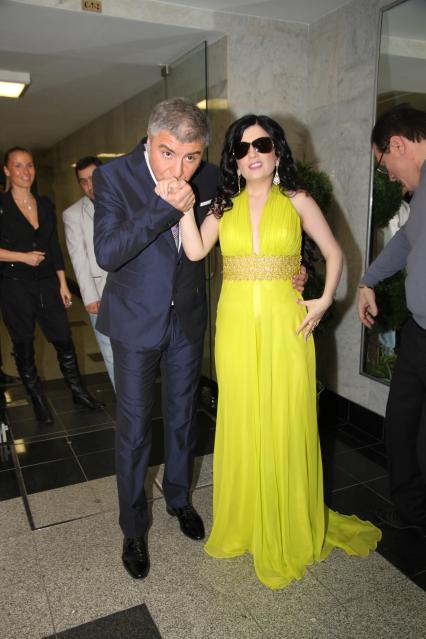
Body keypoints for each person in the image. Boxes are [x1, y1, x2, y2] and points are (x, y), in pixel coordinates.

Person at [160, 114, 381, 589]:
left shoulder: (297, 198)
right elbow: (195, 251)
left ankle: (288, 522)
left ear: (277, 150)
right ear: (234, 159)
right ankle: (247, 519)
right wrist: (184, 209)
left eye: (261, 144)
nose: (252, 154)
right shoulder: (223, 204)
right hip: (236, 327)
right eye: (241, 149)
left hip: (287, 327)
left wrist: (324, 301)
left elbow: (335, 252)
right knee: (243, 417)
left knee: (285, 417)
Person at [93, 97, 309, 580]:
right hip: (134, 323)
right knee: (134, 430)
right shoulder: (114, 177)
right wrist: (162, 207)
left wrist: (298, 268)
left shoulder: (212, 179)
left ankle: (178, 500)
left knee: (182, 418)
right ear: (150, 141)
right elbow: (107, 252)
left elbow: (258, 220)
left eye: (191, 157)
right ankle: (133, 527)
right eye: (168, 153)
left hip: (188, 321)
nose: (180, 169)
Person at [358, 104, 426, 537]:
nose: (390, 177)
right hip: (419, 332)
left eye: (385, 166)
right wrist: (369, 279)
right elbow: (405, 240)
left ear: (397, 145)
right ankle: (413, 512)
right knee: (400, 423)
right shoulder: (420, 195)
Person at [0, 147, 105, 424]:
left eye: (29, 165)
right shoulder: (2, 206)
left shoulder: (44, 203)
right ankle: (37, 400)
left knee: (64, 340)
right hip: (14, 285)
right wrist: (22, 257)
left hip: (47, 283)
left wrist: (62, 282)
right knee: (24, 343)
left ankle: (79, 394)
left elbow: (54, 246)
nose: (25, 171)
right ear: (7, 170)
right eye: (18, 166)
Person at [62, 156, 114, 388]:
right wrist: (90, 297)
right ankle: (126, 404)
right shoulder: (73, 214)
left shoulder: (124, 202)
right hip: (100, 293)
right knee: (110, 352)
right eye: (83, 182)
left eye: (93, 178)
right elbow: (78, 257)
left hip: (132, 291)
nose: (90, 186)